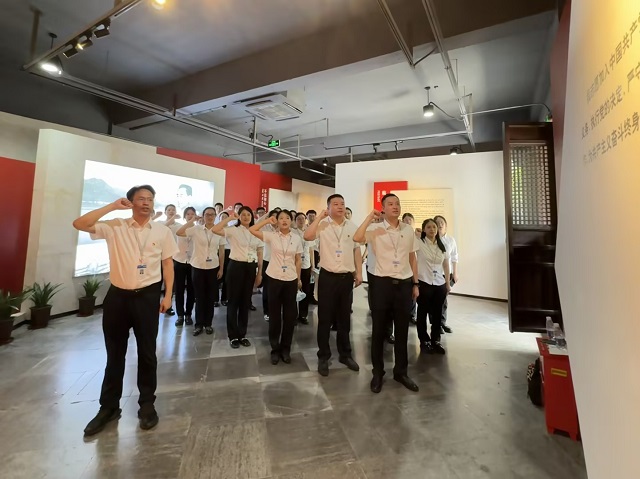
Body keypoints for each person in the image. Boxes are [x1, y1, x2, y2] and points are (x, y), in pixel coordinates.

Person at [72, 185, 178, 435]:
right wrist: (112, 206)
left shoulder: (162, 231)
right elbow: (79, 223)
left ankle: (147, 405)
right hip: (118, 298)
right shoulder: (115, 226)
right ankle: (108, 407)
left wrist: (168, 296)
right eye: (141, 199)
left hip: (148, 297)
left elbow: (167, 264)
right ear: (130, 202)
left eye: (150, 199)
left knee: (147, 353)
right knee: (115, 354)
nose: (146, 203)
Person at [353, 193, 420, 394]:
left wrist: (415, 283)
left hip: (404, 284)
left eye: (397, 203)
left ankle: (401, 372)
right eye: (390, 204)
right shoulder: (375, 228)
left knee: (402, 330)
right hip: (381, 284)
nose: (395, 206)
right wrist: (369, 218)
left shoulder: (408, 229)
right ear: (383, 208)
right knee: (379, 331)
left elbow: (412, 258)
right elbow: (357, 238)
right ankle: (378, 373)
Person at [304, 194, 362, 376]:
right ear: (328, 208)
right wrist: (319, 218)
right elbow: (307, 236)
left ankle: (345, 354)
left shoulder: (351, 226)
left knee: (344, 318)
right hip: (328, 277)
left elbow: (356, 250)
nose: (340, 207)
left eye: (342, 204)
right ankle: (323, 356)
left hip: (346, 278)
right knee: (325, 318)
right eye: (335, 204)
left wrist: (359, 273)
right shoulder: (322, 225)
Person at [250, 211, 302, 364]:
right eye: (281, 218)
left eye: (287, 218)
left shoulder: (296, 238)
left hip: (290, 279)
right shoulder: (271, 236)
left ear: (291, 221)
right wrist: (267, 221)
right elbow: (252, 229)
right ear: (277, 221)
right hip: (273, 278)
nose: (284, 220)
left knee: (289, 316)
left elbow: (298, 259)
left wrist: (298, 278)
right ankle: (275, 348)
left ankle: (286, 349)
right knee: (274, 316)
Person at [212, 207, 263, 348]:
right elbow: (215, 229)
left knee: (245, 302)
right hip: (235, 267)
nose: (246, 217)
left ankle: (242, 334)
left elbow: (260, 252)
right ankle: (233, 335)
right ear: (239, 217)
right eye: (243, 214)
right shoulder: (233, 230)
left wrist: (259, 273)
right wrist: (229, 218)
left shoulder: (256, 231)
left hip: (251, 267)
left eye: (248, 214)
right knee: (233, 302)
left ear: (252, 217)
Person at [176, 207, 225, 336]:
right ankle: (198, 325)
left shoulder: (219, 231)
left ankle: (208, 324)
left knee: (210, 297)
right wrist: (191, 220)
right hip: (197, 266)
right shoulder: (196, 229)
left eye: (212, 214)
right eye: (207, 214)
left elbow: (221, 252)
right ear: (203, 216)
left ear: (215, 216)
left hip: (213, 267)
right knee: (199, 297)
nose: (209, 217)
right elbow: (179, 232)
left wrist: (221, 268)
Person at [416, 218, 451, 353]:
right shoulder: (419, 242)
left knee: (437, 313)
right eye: (429, 227)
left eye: (434, 227)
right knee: (422, 313)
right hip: (424, 282)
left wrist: (447, 283)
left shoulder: (443, 245)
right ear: (424, 229)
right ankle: (424, 340)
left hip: (439, 284)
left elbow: (446, 265)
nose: (432, 229)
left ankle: (435, 340)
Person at [171, 207, 195, 327]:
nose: (190, 216)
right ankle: (180, 315)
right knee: (179, 289)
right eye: (188, 214)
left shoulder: (198, 229)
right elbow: (177, 234)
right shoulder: (179, 227)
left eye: (192, 214)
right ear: (185, 216)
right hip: (179, 260)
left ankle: (188, 314)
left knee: (191, 290)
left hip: (193, 262)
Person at [434, 215, 458, 334]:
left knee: (443, 300)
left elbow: (454, 257)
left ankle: (442, 323)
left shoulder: (451, 240)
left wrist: (455, 273)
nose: (440, 224)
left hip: (447, 274)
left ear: (446, 225)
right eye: (437, 222)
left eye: (442, 222)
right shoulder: (432, 240)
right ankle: (436, 324)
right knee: (436, 301)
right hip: (435, 274)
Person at [293, 212, 315, 324]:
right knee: (293, 290)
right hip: (293, 265)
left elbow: (311, 250)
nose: (301, 220)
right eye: (298, 219)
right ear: (295, 221)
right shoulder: (292, 232)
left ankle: (303, 315)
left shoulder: (309, 231)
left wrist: (312, 265)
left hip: (306, 264)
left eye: (303, 218)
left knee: (305, 290)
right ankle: (292, 315)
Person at [260, 209, 279, 322]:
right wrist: (267, 217)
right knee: (267, 288)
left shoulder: (283, 229)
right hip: (267, 261)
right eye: (273, 216)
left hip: (280, 262)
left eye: (277, 217)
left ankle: (276, 310)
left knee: (278, 288)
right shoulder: (266, 228)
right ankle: (267, 311)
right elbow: (256, 225)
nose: (275, 219)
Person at [402, 213, 418, 324]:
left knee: (414, 292)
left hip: (415, 268)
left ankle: (412, 314)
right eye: (406, 220)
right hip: (404, 268)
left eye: (410, 220)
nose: (408, 221)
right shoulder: (401, 234)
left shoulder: (418, 236)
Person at [216, 211, 230, 306]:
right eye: (222, 217)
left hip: (229, 253)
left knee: (227, 278)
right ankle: (215, 299)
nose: (224, 218)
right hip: (218, 253)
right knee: (217, 277)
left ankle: (224, 298)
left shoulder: (232, 229)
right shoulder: (216, 229)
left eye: (226, 217)